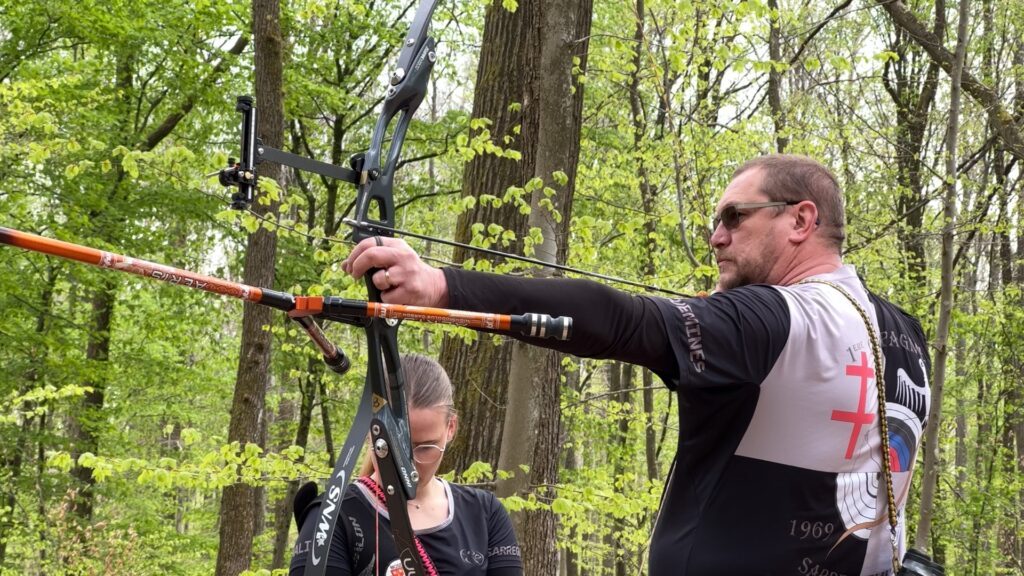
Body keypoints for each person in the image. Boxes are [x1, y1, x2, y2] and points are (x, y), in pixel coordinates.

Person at [341, 154, 932, 575]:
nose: (715, 237)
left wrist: (439, 286)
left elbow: (621, 319)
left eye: (734, 217)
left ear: (801, 220)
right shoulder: (905, 335)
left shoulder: (773, 320)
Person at [289, 353, 523, 576]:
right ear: (370, 429)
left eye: (425, 447)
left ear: (451, 428)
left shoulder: (484, 513)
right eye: (393, 447)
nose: (407, 465)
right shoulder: (331, 517)